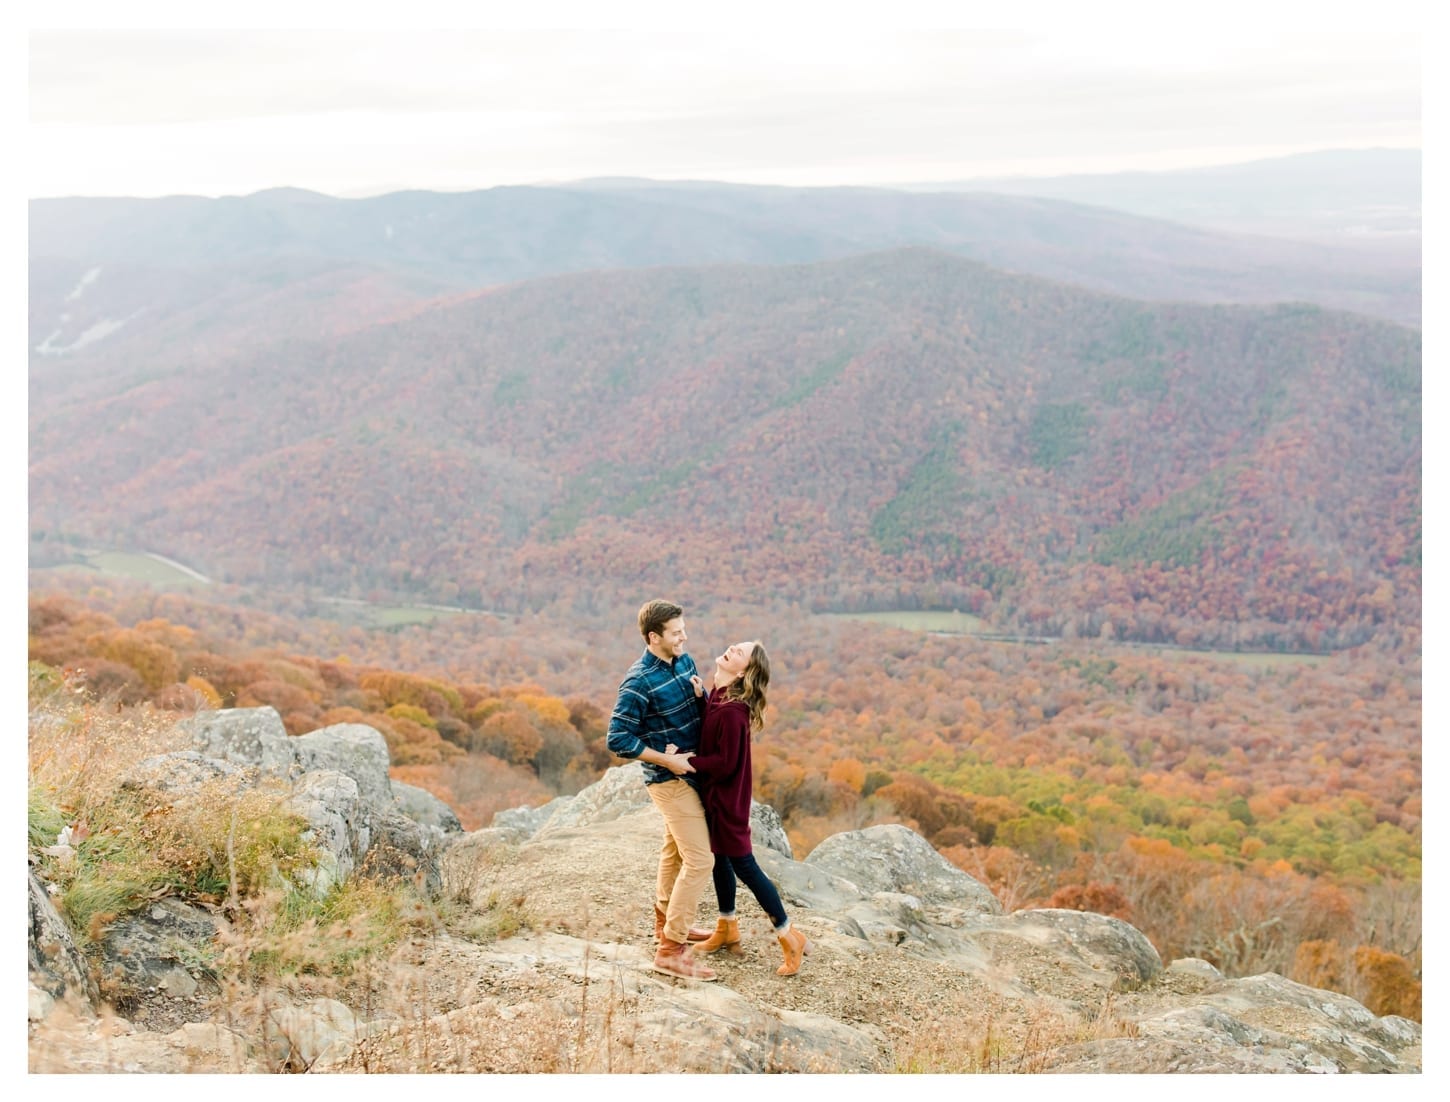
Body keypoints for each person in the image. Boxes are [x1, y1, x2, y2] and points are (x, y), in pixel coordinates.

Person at [682, 640, 811, 977]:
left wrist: (687, 762)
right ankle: (726, 927)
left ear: (743, 672)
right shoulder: (719, 698)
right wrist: (701, 700)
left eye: (738, 652)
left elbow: (724, 763)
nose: (730, 649)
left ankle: (788, 935)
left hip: (727, 803)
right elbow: (711, 728)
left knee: (745, 867)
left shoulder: (734, 712)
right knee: (718, 859)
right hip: (715, 798)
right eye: (734, 645)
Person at [605, 599, 718, 981]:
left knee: (673, 852)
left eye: (683, 628)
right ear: (654, 637)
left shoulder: (684, 661)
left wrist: (704, 698)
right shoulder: (638, 681)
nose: (684, 635)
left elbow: (693, 712)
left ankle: (667, 925)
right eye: (675, 632)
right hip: (669, 781)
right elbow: (617, 738)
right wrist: (666, 760)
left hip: (693, 773)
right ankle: (670, 950)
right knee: (701, 860)